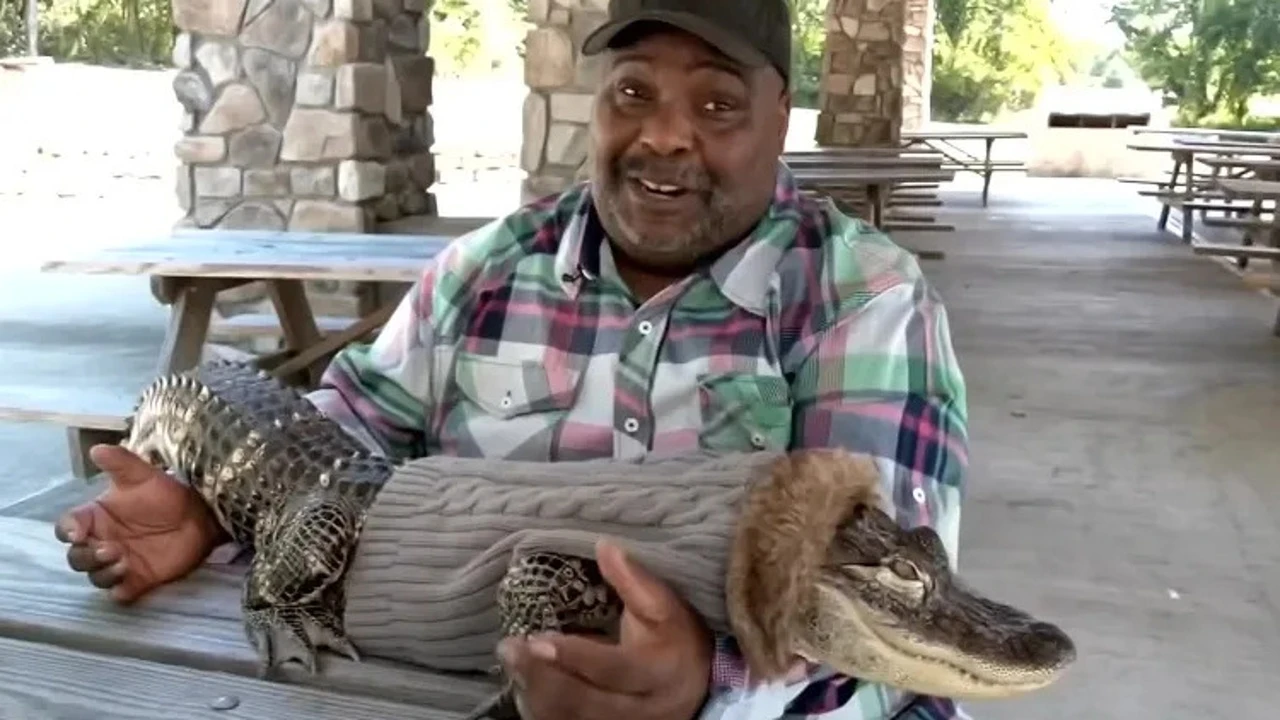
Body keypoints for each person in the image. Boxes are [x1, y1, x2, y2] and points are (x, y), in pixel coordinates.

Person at [54, 0, 970, 718]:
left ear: (780, 121)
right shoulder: (483, 268)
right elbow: (335, 443)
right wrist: (216, 512)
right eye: (633, 92)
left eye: (719, 103)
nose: (664, 135)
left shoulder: (865, 301)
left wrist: (710, 684)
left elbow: (884, 618)